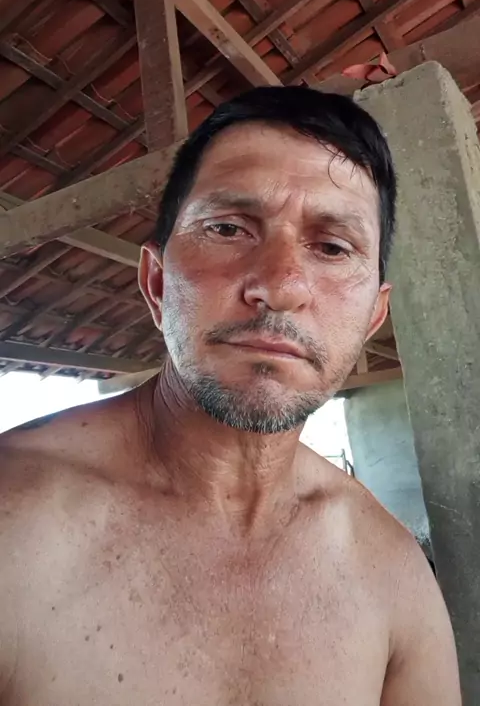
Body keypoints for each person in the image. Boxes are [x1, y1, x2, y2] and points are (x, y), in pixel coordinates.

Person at [0, 86, 461, 705]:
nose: (280, 286)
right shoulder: (15, 521)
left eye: (332, 247)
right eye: (227, 228)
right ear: (157, 283)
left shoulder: (393, 576)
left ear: (373, 316)